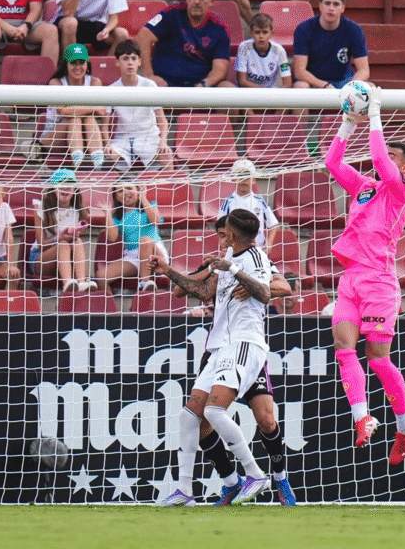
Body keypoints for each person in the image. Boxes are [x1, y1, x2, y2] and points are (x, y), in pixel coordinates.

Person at [159, 210, 298, 506]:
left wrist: (239, 276)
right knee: (190, 415)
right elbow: (200, 291)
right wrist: (167, 269)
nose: (219, 238)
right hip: (221, 346)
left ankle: (263, 475)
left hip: (245, 344)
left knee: (251, 416)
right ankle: (187, 490)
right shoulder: (225, 260)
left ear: (232, 233)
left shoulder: (255, 258)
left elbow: (267, 292)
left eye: (222, 233)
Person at [323, 85, 405, 464]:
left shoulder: (403, 190)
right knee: (344, 350)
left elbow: (380, 158)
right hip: (349, 279)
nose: (383, 160)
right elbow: (332, 163)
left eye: (396, 157)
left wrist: (375, 113)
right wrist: (348, 123)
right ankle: (361, 418)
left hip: (379, 280)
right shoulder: (365, 187)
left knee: (377, 359)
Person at [137, 0, 233, 88]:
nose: (196, 1)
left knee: (227, 87)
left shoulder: (220, 28)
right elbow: (142, 37)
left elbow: (221, 68)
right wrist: (149, 76)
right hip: (164, 84)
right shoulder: (171, 14)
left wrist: (205, 84)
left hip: (199, 87)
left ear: (211, 1)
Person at [103, 39, 174, 172]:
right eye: (125, 58)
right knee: (108, 158)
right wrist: (107, 145)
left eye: (134, 58)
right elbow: (105, 125)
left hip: (149, 136)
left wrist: (163, 141)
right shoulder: (112, 89)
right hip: (123, 139)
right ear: (117, 62)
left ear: (139, 62)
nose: (130, 62)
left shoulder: (150, 86)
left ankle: (169, 191)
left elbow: (162, 120)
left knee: (166, 155)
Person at [37, 44, 107, 169]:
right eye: (73, 63)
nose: (78, 67)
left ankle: (98, 164)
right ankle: (78, 164)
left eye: (81, 63)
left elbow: (102, 111)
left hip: (86, 135)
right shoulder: (56, 83)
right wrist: (92, 108)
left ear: (87, 64)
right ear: (66, 65)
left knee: (86, 118)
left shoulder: (94, 82)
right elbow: (63, 111)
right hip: (54, 136)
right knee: (75, 119)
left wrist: (80, 109)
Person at [30, 168, 97, 293]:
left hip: (66, 258)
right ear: (54, 188)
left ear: (75, 189)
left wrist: (72, 236)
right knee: (63, 243)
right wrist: (59, 238)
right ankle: (68, 285)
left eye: (69, 185)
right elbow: (40, 245)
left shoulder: (78, 211)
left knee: (78, 242)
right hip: (41, 258)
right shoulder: (41, 207)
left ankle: (81, 283)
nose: (65, 188)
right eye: (61, 184)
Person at [292, 0, 369, 89]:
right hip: (314, 81)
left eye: (336, 4)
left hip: (343, 80)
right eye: (327, 3)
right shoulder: (304, 29)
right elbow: (299, 72)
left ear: (342, 8)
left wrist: (351, 87)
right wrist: (325, 85)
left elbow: (364, 70)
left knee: (368, 87)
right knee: (301, 86)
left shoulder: (353, 29)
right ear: (320, 6)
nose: (331, 8)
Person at [95, 182, 168, 292]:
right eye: (120, 191)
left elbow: (156, 221)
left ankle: (144, 282)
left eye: (129, 188)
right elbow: (112, 237)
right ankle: (111, 308)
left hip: (154, 253)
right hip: (133, 256)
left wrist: (143, 197)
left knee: (144, 240)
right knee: (101, 276)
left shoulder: (150, 205)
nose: (125, 193)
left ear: (137, 190)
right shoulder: (118, 217)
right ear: (116, 197)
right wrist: (108, 214)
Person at [218, 159, 279, 258]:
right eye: (240, 176)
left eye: (247, 177)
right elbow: (220, 227)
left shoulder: (259, 201)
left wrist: (269, 244)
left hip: (258, 251)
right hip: (235, 252)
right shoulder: (228, 202)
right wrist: (224, 243)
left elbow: (273, 224)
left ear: (254, 179)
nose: (243, 181)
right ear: (233, 178)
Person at [53, 0, 127, 52]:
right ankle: (71, 63)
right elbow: (69, 12)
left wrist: (107, 30)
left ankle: (105, 64)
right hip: (68, 21)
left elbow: (114, 17)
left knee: (122, 35)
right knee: (70, 23)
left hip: (95, 24)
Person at [234, 13, 292, 89]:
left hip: (271, 93)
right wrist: (262, 91)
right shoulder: (244, 47)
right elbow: (241, 81)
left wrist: (274, 95)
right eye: (257, 32)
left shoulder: (279, 50)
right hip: (248, 91)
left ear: (271, 33)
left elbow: (287, 83)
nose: (261, 36)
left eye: (265, 32)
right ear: (251, 34)